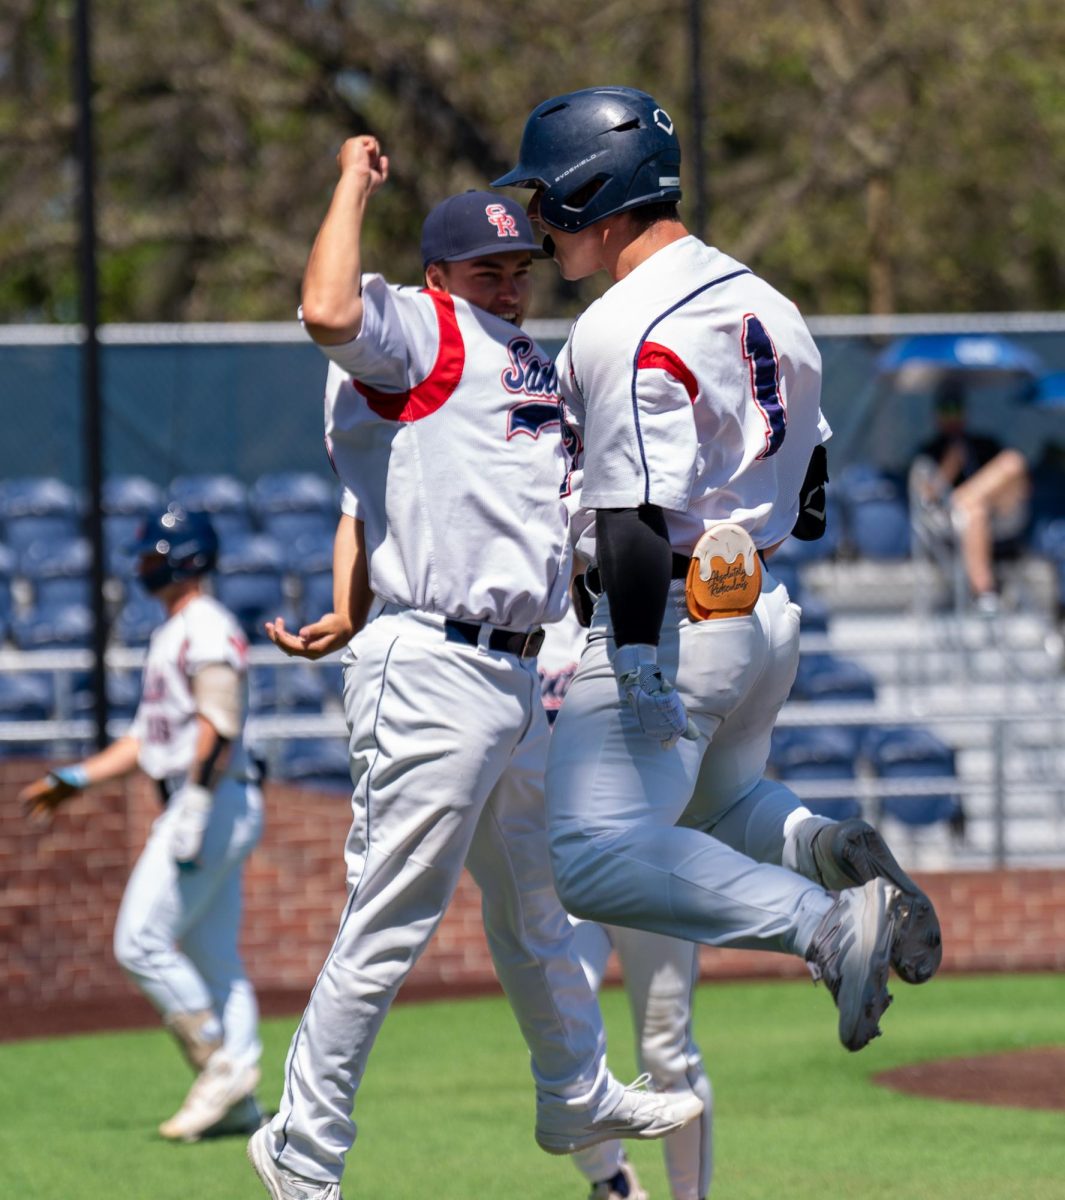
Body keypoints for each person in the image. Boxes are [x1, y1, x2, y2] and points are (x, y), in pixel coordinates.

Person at [247, 134, 703, 1200]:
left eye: (519, 266)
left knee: (541, 907)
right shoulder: (421, 328)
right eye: (487, 267)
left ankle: (576, 1094)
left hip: (515, 672)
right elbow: (324, 313)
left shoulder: (533, 360)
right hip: (438, 666)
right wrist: (352, 181)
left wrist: (342, 607)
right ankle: (302, 1146)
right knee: (392, 918)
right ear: (439, 275)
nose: (508, 281)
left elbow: (375, 498)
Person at [493, 86, 943, 1057]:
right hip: (761, 610)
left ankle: (827, 924)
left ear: (593, 195)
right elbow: (815, 486)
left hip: (667, 617)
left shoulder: (624, 324)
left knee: (593, 859)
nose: (535, 223)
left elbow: (634, 516)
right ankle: (825, 849)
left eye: (545, 196)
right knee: (712, 805)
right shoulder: (769, 300)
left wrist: (644, 661)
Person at [19, 507, 266, 1143]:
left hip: (209, 798)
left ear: (187, 558)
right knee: (215, 958)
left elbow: (221, 722)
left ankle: (219, 1064)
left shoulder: (206, 625)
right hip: (205, 797)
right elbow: (147, 739)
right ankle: (238, 1099)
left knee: (140, 942)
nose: (143, 567)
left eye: (155, 557)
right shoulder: (175, 629)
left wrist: (197, 809)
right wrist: (75, 779)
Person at [539, 598, 712, 1200]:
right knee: (562, 1036)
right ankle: (611, 1182)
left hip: (651, 859)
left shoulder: (654, 612)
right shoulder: (517, 614)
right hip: (567, 870)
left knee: (667, 1051)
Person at [909, 375, 1031, 612]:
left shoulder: (985, 444)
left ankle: (966, 499)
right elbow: (926, 498)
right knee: (974, 512)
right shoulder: (929, 451)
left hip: (1000, 516)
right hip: (949, 523)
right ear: (936, 415)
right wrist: (950, 466)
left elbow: (1014, 479)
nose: (952, 415)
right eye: (946, 410)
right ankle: (984, 591)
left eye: (956, 409)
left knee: (1012, 463)